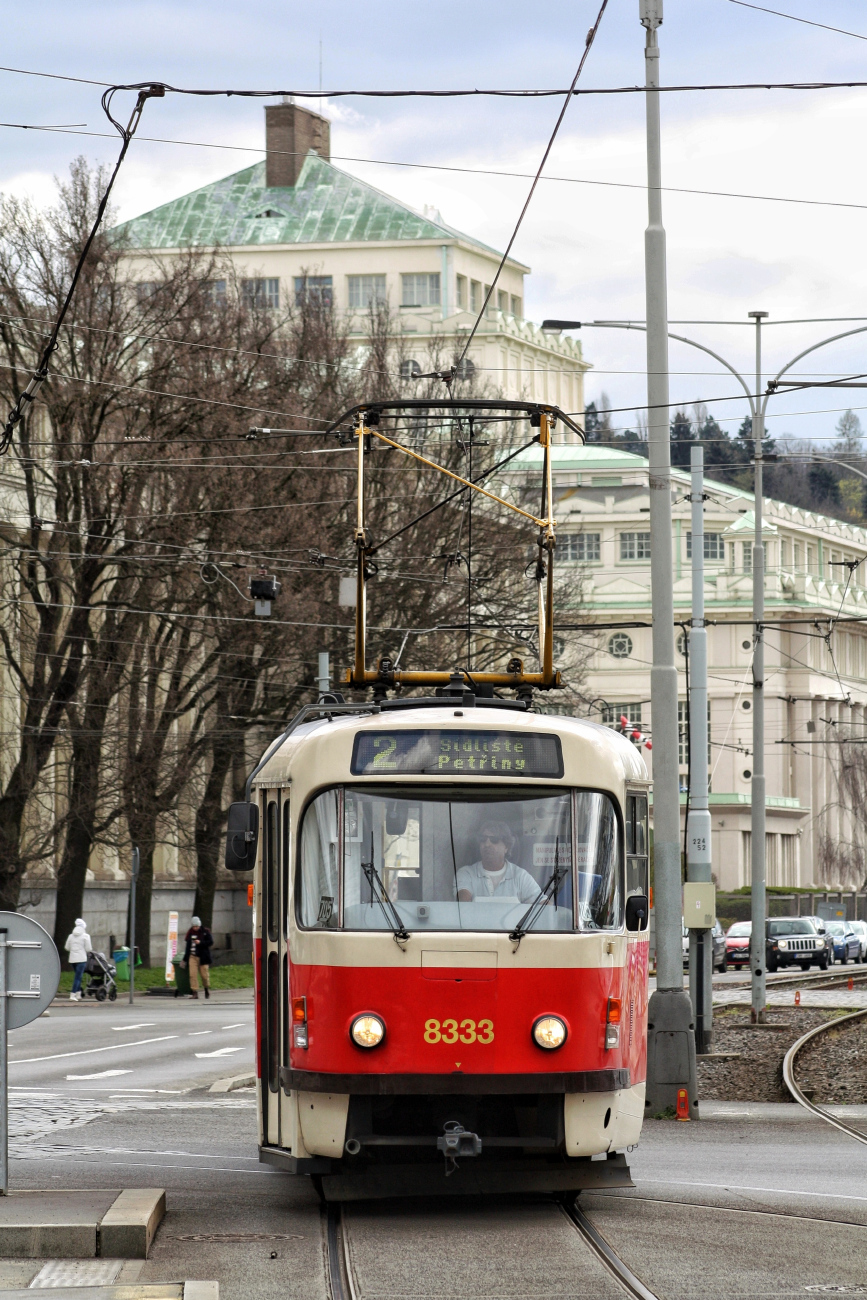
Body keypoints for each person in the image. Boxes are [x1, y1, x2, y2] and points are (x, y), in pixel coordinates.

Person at [455, 821, 539, 903]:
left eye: (494, 840)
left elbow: (543, 905)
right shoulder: (466, 873)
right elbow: (463, 905)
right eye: (483, 839)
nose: (487, 844)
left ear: (506, 847)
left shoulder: (520, 876)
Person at [181, 916, 213, 999]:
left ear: (200, 925)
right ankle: (194, 992)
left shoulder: (205, 932)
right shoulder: (190, 933)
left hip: (203, 957)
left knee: (204, 976)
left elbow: (210, 942)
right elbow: (187, 947)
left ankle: (206, 988)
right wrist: (184, 959)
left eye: (197, 926)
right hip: (192, 956)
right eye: (194, 926)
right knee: (192, 975)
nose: (195, 928)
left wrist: (200, 942)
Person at [64, 918, 92, 1002]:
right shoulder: (86, 936)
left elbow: (67, 947)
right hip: (81, 959)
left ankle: (78, 994)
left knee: (77, 976)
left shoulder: (70, 936)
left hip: (72, 959)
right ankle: (72, 994)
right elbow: (88, 949)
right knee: (78, 977)